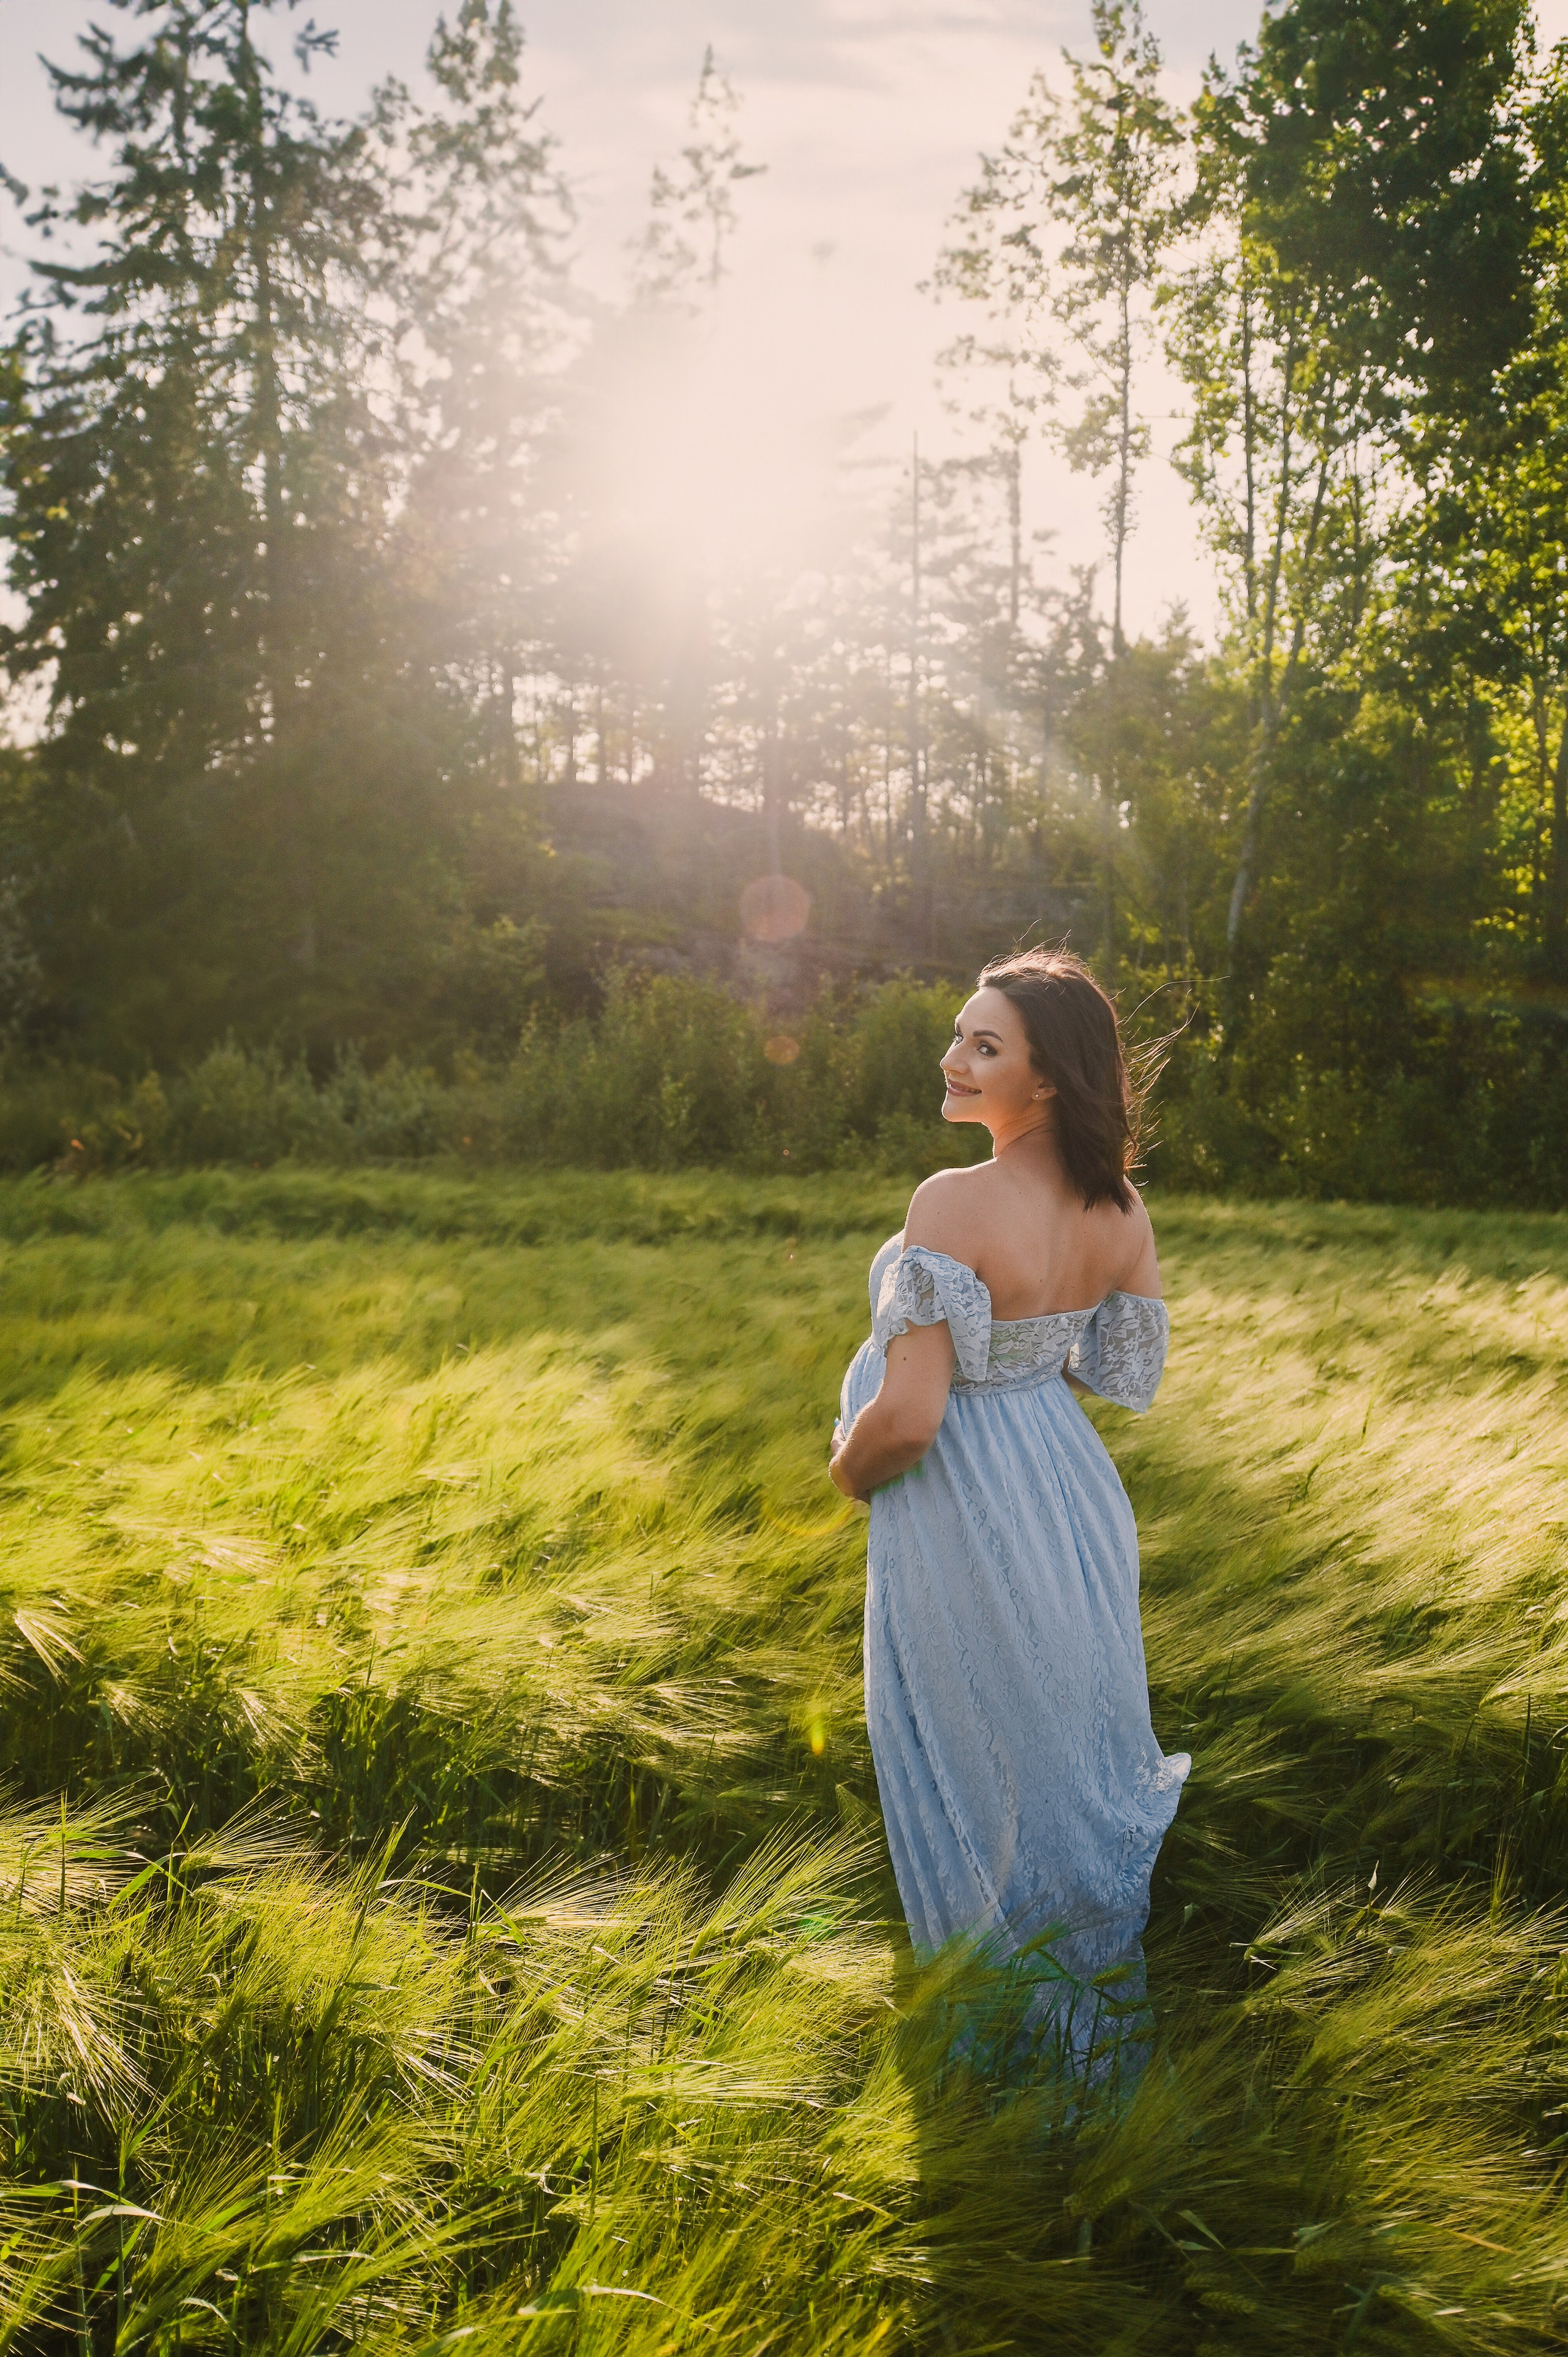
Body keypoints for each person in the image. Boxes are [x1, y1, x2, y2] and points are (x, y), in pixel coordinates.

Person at [830, 947, 1188, 2081]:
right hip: (1068, 1496)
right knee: (1053, 1742)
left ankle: (1000, 2043)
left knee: (969, 1749)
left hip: (958, 1503)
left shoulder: (953, 1201)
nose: (954, 1058)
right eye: (959, 1034)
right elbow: (1120, 1374)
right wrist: (1024, 1370)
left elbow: (914, 1418)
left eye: (986, 1046)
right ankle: (1082, 2013)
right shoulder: (1119, 1206)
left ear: (1048, 1081)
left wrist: (844, 1466)